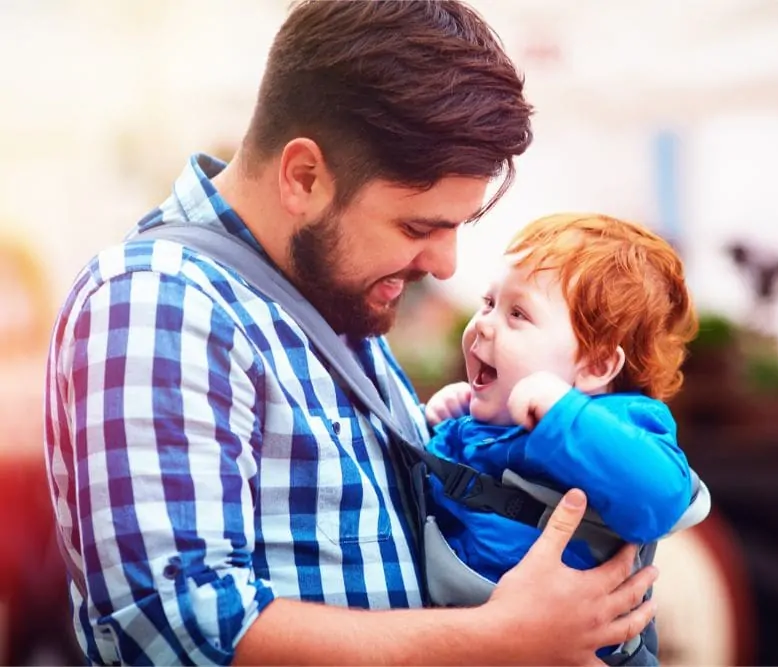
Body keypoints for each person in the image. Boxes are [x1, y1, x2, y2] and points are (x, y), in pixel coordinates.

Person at [42, 2, 660, 665]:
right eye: (417, 227)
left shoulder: (328, 297)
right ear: (305, 177)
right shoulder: (160, 296)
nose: (444, 265)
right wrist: (496, 640)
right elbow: (175, 623)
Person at [423, 214, 699, 659]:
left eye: (518, 314)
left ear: (595, 367)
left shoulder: (619, 425)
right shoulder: (491, 426)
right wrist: (446, 432)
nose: (485, 324)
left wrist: (564, 414)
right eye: (489, 302)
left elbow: (663, 496)